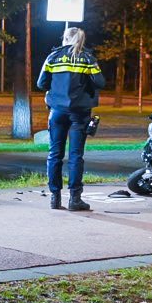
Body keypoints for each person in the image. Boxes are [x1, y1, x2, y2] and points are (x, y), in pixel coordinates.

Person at [37, 26, 104, 211]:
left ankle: (55, 198)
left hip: (57, 111)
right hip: (79, 113)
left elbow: (41, 83)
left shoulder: (53, 57)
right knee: (76, 156)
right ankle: (75, 199)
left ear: (65, 38)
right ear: (81, 39)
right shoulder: (88, 58)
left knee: (54, 154)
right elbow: (100, 82)